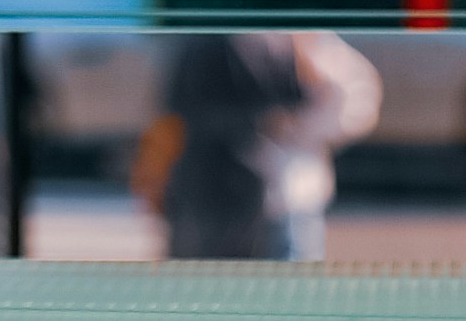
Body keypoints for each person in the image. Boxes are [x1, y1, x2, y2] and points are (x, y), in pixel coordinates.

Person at [147, 27, 378, 262]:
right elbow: (174, 121)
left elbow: (352, 104)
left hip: (283, 199)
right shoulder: (202, 41)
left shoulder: (303, 39)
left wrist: (293, 126)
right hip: (209, 198)